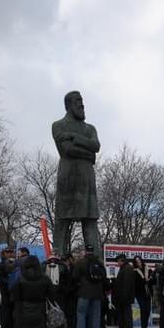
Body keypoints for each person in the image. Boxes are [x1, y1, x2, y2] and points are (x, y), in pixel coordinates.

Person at [52, 91, 101, 255]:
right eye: (78, 101)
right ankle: (57, 263)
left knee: (90, 222)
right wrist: (89, 155)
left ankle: (95, 262)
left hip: (87, 179)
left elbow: (96, 146)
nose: (82, 104)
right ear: (68, 105)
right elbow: (67, 150)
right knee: (62, 221)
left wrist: (73, 136)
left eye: (82, 101)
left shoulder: (90, 128)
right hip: (68, 178)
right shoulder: (58, 125)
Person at [72, 244, 106, 328]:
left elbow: (74, 276)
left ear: (86, 251)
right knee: (96, 314)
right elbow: (104, 276)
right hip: (97, 293)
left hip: (84, 292)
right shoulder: (99, 262)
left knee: (81, 313)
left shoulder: (81, 262)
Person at [0, 248, 16, 328]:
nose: (10, 254)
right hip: (6, 294)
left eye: (11, 252)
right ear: (3, 254)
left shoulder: (18, 264)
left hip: (16, 293)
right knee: (6, 315)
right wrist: (11, 283)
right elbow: (0, 278)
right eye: (7, 252)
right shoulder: (1, 265)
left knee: (15, 315)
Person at [113, 254, 135, 328]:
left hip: (125, 297)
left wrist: (124, 296)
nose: (117, 263)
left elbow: (127, 284)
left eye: (118, 261)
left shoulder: (127, 269)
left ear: (121, 260)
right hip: (122, 297)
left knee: (126, 316)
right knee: (122, 316)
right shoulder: (125, 268)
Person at [133, 256, 151, 328]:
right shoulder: (135, 271)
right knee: (143, 310)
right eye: (136, 261)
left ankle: (145, 326)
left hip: (148, 293)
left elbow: (153, 280)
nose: (138, 262)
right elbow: (135, 284)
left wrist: (150, 279)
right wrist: (144, 280)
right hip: (139, 294)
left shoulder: (147, 269)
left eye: (139, 260)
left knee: (148, 311)